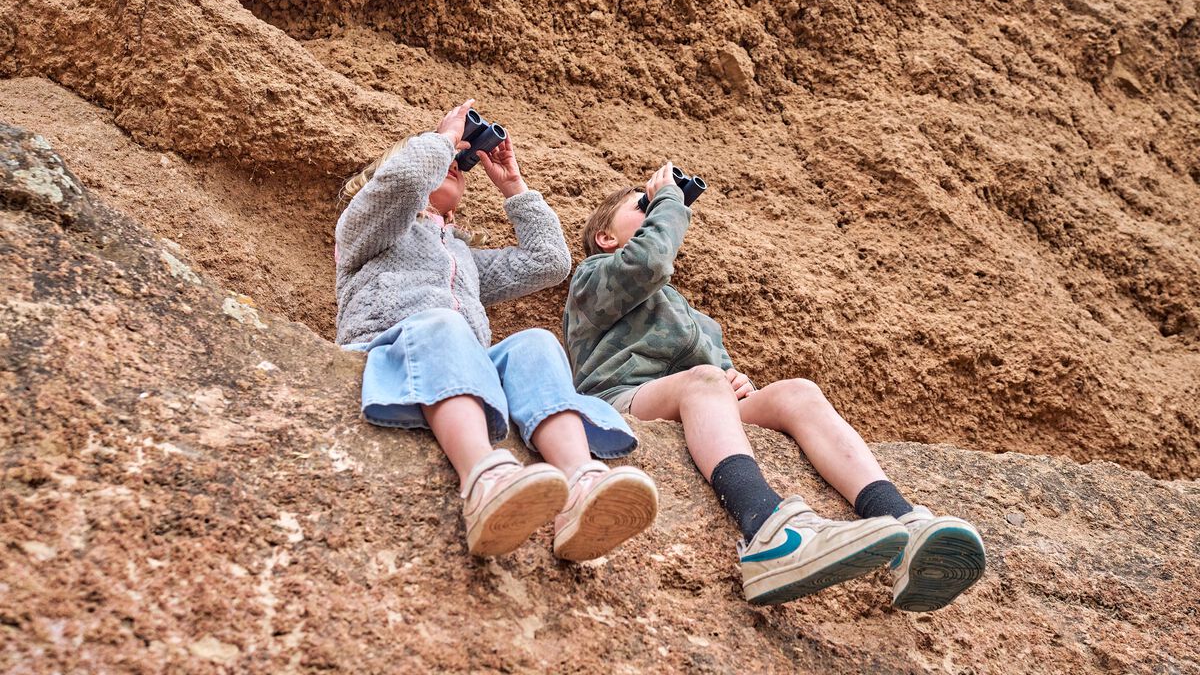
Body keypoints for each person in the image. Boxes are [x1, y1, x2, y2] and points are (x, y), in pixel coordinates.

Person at [562, 162, 986, 609]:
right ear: (606, 238)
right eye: (642, 207)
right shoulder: (592, 277)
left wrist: (739, 383)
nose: (659, 212)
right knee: (704, 381)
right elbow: (648, 261)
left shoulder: (694, 317)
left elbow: (718, 376)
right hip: (621, 399)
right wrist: (668, 199)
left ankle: (903, 526)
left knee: (796, 391)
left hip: (691, 396)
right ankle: (768, 533)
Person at [336, 99, 657, 561]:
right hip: (391, 350)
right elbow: (403, 182)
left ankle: (582, 483)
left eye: (457, 164)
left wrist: (514, 188)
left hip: (458, 361)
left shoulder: (463, 256)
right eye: (443, 161)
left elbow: (549, 263)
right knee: (444, 324)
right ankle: (483, 480)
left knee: (536, 342)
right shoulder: (365, 232)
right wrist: (445, 140)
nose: (453, 165)